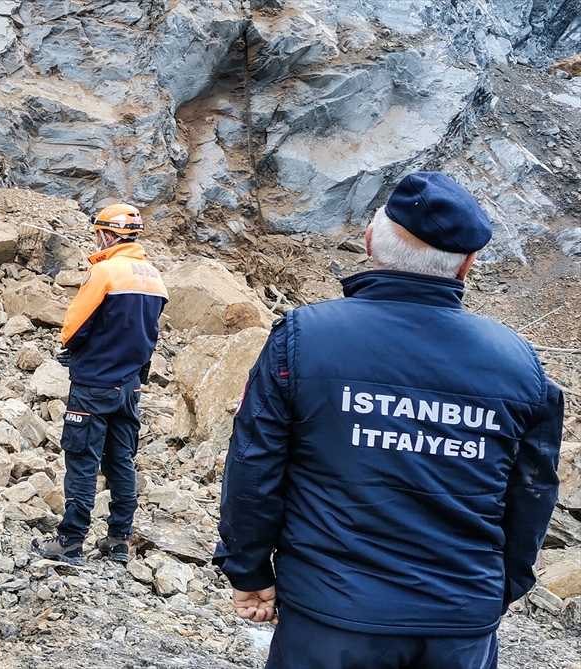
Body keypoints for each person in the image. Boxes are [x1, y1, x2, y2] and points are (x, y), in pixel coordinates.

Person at [215, 172, 563, 669]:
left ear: (370, 240)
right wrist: (498, 588)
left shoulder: (303, 339)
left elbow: (254, 465)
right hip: (458, 621)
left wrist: (249, 572)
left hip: (332, 616)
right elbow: (532, 491)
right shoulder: (519, 363)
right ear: (468, 265)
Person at [31, 203, 168, 565]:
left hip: (93, 385)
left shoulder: (105, 271)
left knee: (82, 459)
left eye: (98, 233)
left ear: (108, 234)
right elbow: (144, 334)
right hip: (129, 386)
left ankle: (70, 540)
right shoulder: (154, 277)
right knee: (121, 461)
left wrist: (73, 351)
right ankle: (119, 539)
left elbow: (76, 325)